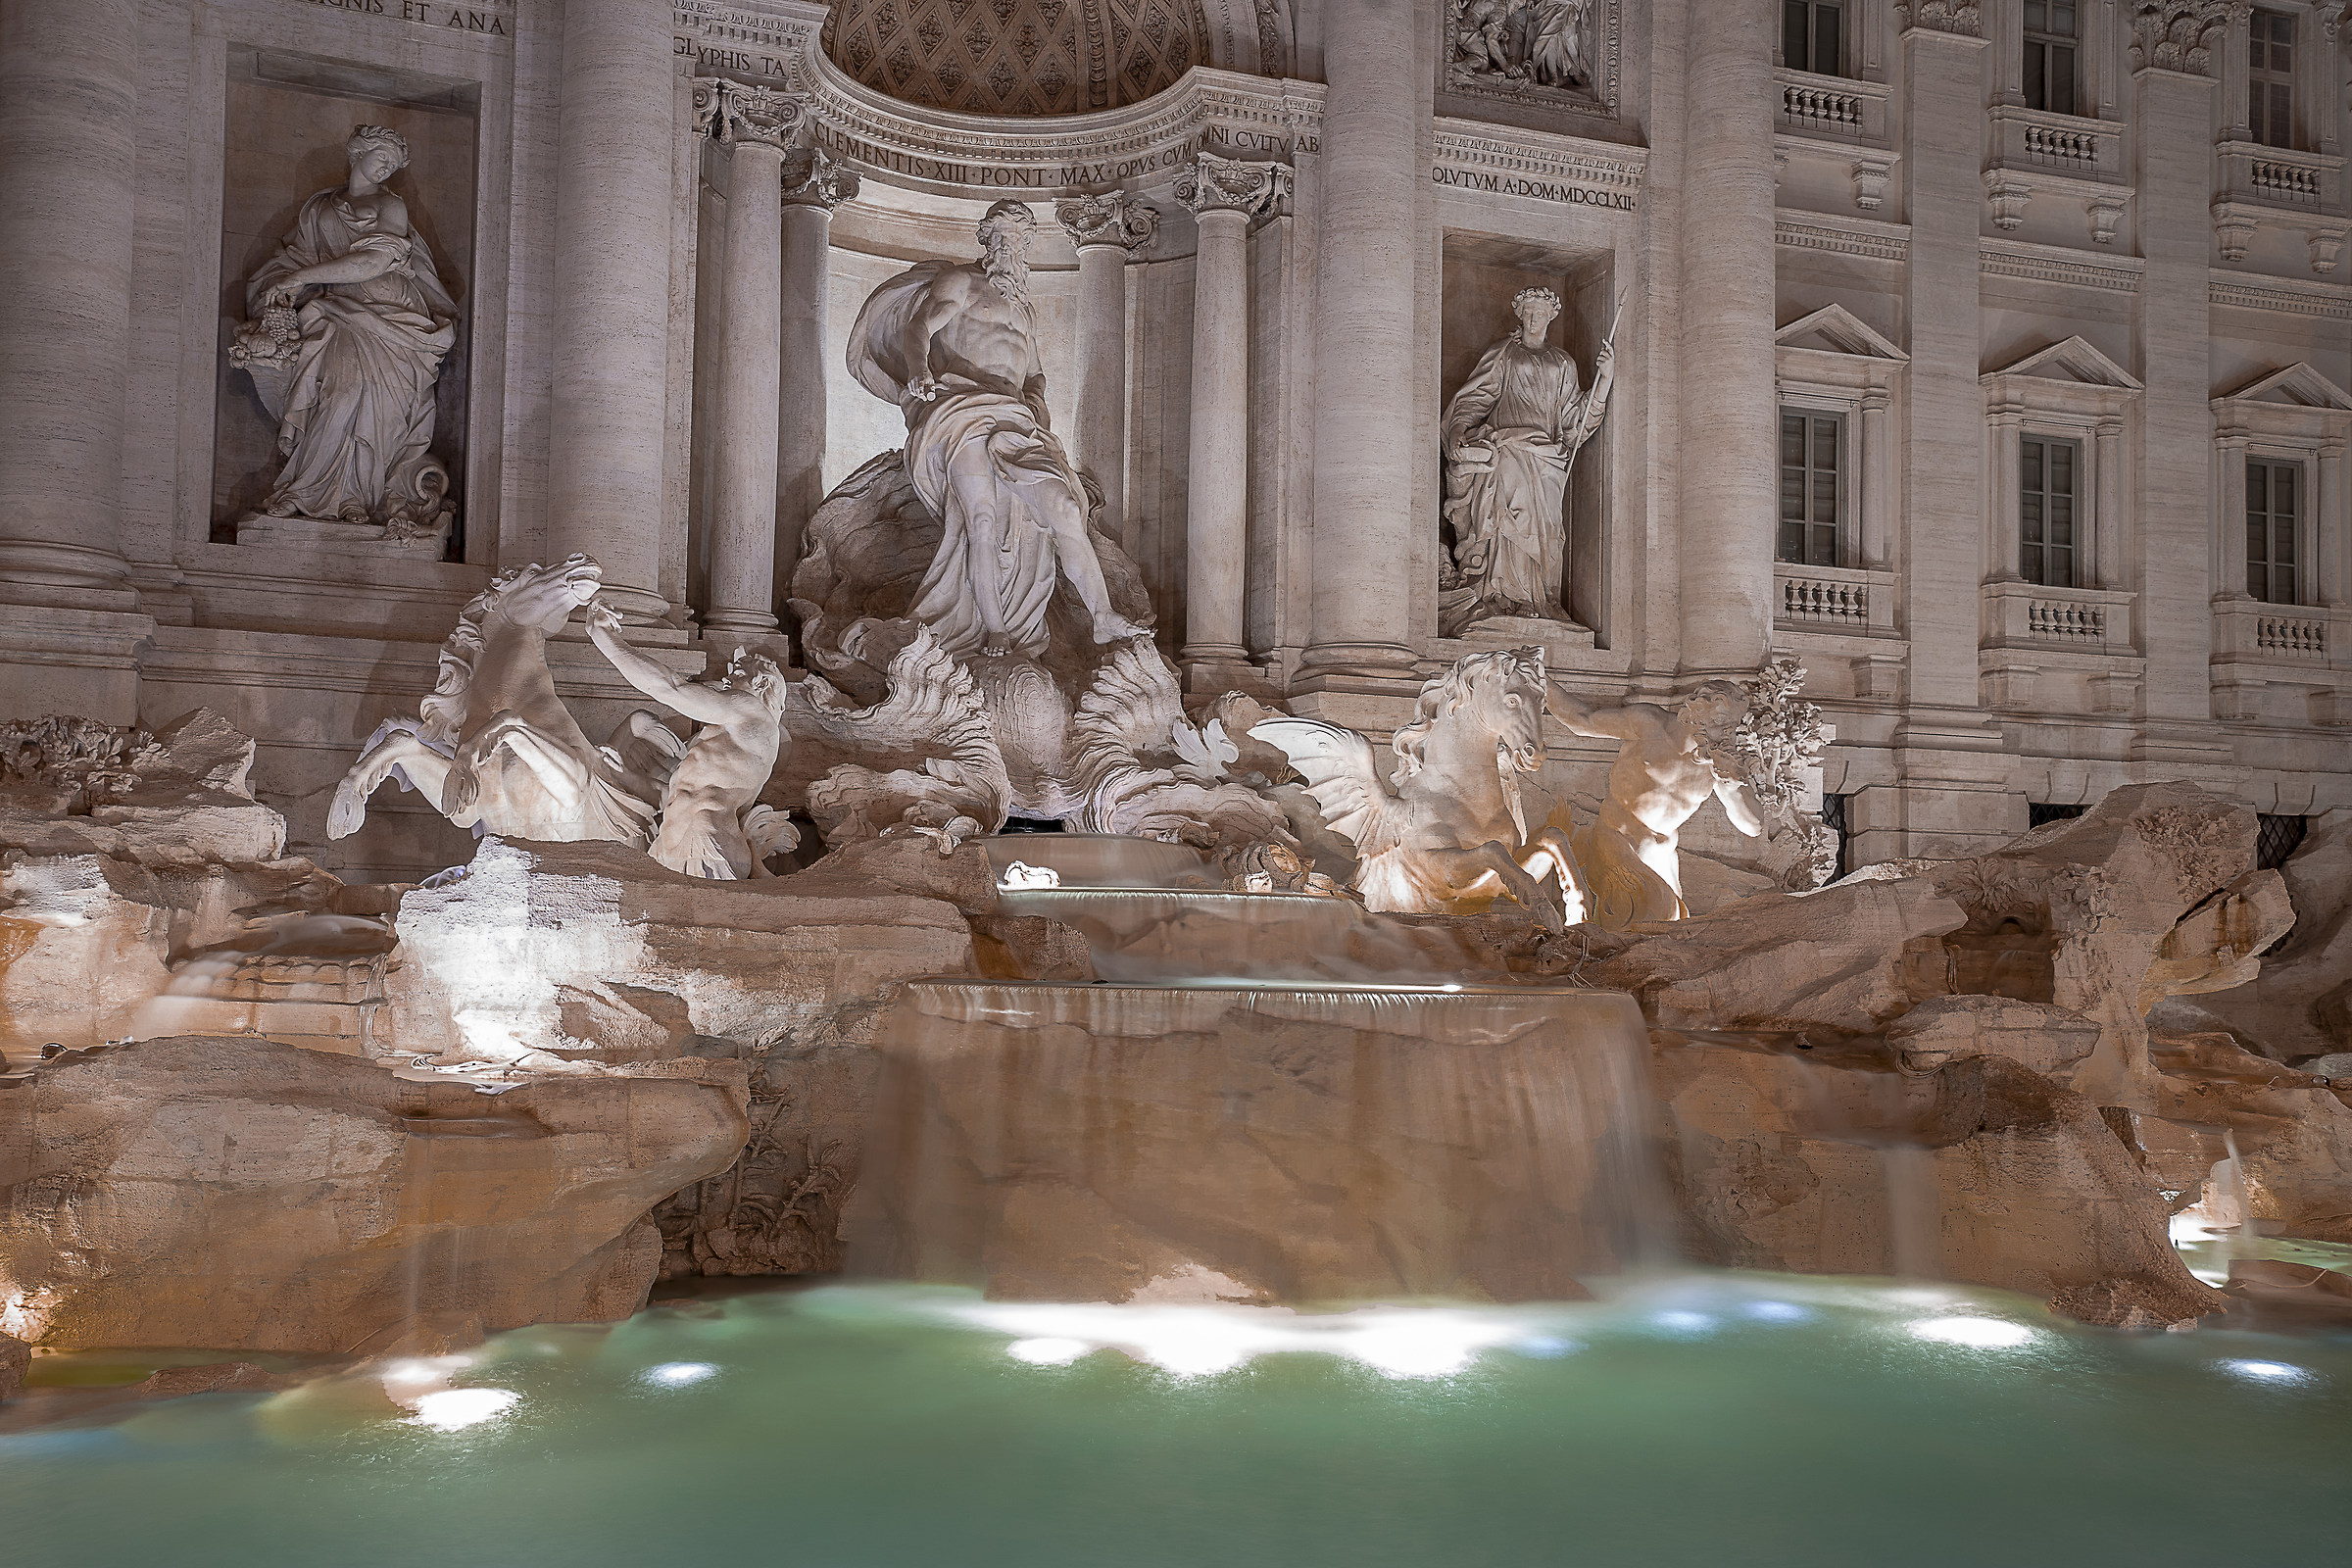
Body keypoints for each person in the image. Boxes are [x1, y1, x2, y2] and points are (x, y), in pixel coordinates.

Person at [845, 199, 1146, 660]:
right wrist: (918, 369)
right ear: (986, 239)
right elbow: (920, 327)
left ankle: (1102, 617)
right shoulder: (960, 282)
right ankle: (994, 628)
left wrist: (1039, 406)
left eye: (1020, 239)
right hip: (960, 409)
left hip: (1015, 419)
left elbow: (1035, 372)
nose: (1011, 247)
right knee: (979, 521)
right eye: (1002, 236)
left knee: (1066, 508)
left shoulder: (1024, 308)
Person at [241, 124, 459, 527]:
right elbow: (291, 259)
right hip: (341, 311)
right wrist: (284, 283)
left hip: (393, 315)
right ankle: (304, 491)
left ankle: (358, 496)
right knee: (339, 393)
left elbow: (373, 263)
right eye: (382, 158)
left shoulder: (391, 206)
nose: (386, 169)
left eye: (394, 165)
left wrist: (301, 278)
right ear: (357, 152)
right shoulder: (318, 208)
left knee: (380, 409)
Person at [1440, 286, 1614, 636]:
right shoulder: (1503, 353)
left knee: (1546, 531)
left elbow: (1574, 421)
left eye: (1539, 312)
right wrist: (1459, 428)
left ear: (1551, 316)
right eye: (1527, 312)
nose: (1533, 318)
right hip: (1508, 451)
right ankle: (1497, 596)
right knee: (1507, 522)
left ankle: (1537, 599)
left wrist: (1604, 380)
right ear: (1520, 316)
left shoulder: (1563, 363)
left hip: (1547, 459)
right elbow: (1476, 397)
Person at [586, 602, 790, 880]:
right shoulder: (729, 738)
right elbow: (672, 795)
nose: (726, 679)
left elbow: (672, 688)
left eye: (738, 674)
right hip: (671, 843)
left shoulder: (752, 711)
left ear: (762, 684)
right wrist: (626, 774)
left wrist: (606, 640)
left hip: (707, 842)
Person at [1542, 679, 1766, 928]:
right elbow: (1583, 720)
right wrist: (1541, 680)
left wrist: (1734, 785)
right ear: (1696, 713)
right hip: (1617, 841)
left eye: (1732, 726)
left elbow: (1753, 827)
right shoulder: (1649, 723)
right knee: (1658, 913)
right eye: (1721, 722)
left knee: (1673, 928)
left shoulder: (1718, 763)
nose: (1727, 734)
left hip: (1662, 856)